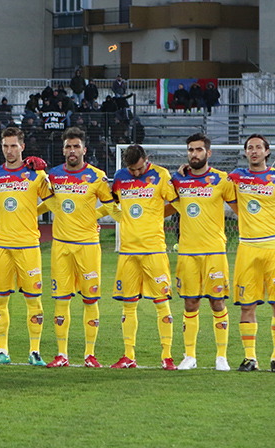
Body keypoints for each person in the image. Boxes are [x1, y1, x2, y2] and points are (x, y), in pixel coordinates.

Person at [36, 127, 118, 368]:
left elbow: (109, 207)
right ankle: (62, 354)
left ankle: (89, 355)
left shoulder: (97, 176)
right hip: (61, 247)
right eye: (68, 147)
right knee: (61, 300)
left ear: (84, 149)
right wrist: (29, 213)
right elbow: (49, 203)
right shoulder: (53, 175)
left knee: (90, 299)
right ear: (63, 150)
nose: (72, 150)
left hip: (88, 247)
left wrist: (125, 219)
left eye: (76, 146)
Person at [0, 127, 54, 366]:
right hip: (1, 246)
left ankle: (35, 352)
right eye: (5, 146)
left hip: (28, 246)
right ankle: (2, 351)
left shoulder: (36, 174)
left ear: (22, 146)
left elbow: (52, 202)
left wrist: (33, 211)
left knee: (34, 300)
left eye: (13, 145)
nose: (9, 150)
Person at [165, 133, 238, 371]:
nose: (194, 154)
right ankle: (190, 356)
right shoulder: (178, 179)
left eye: (198, 150)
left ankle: (221, 357)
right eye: (190, 150)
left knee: (217, 302)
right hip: (187, 252)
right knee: (190, 303)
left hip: (215, 251)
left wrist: (272, 223)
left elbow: (240, 209)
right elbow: (168, 206)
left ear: (208, 152)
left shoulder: (222, 179)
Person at [229, 134, 275, 373]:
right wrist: (186, 171)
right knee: (246, 306)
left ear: (267, 151)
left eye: (258, 147)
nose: (254, 151)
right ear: (245, 152)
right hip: (247, 248)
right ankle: (250, 358)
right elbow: (212, 185)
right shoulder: (236, 176)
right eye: (250, 147)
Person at [109, 144, 179, 370]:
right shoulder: (120, 177)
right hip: (128, 251)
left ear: (146, 159)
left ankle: (167, 356)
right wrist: (122, 218)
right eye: (132, 170)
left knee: (161, 303)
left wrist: (158, 215)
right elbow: (112, 204)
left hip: (154, 250)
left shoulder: (161, 175)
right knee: (128, 305)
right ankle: (128, 355)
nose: (136, 173)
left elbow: (176, 203)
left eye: (139, 169)